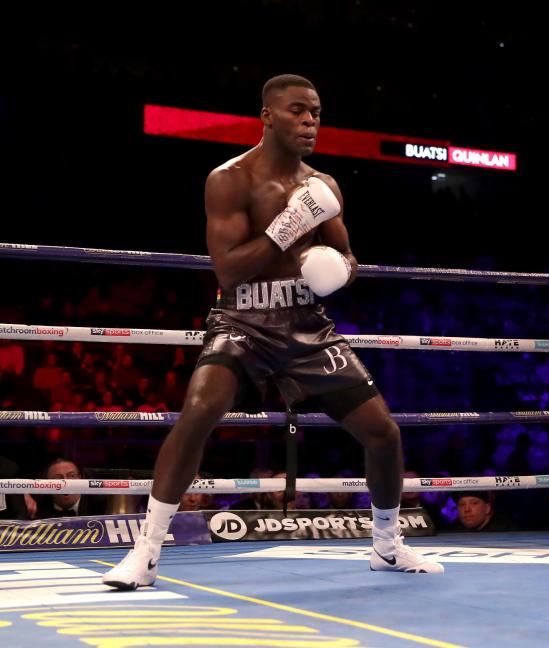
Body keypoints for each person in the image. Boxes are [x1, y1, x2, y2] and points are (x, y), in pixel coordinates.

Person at [103, 74, 442, 590]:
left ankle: (388, 547)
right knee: (198, 411)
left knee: (384, 433)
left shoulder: (324, 186)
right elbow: (229, 270)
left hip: (308, 328)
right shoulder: (229, 179)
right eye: (298, 111)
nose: (310, 121)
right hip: (243, 321)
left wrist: (337, 269)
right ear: (267, 115)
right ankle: (146, 552)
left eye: (317, 113)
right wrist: (289, 223)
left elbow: (350, 258)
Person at [450, 491, 516, 532]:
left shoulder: (505, 530)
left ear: (487, 508)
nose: (467, 509)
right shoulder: (451, 531)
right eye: (462, 504)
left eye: (474, 503)